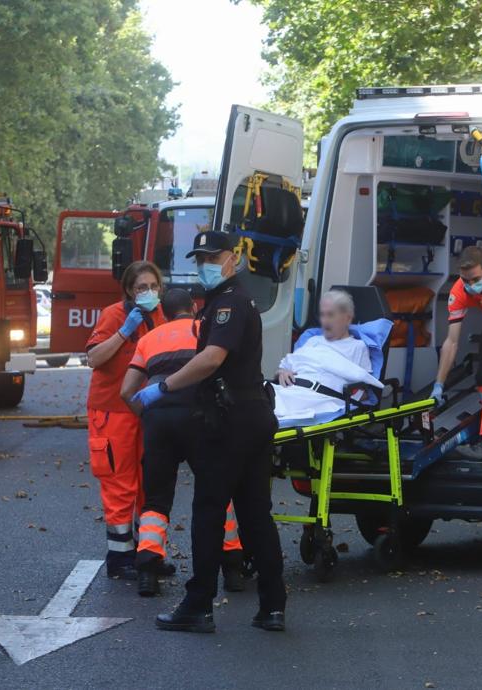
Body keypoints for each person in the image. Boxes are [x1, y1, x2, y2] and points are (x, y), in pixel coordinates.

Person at [133, 230, 286, 633]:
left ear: (233, 257)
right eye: (200, 257)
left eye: (212, 256)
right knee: (256, 515)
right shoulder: (229, 300)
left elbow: (211, 359)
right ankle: (273, 606)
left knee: (208, 512)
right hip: (250, 414)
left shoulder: (228, 305)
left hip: (231, 420)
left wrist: (164, 387)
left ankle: (198, 605)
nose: (205, 263)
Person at [121, 288, 245, 597]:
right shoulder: (205, 331)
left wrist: (146, 412)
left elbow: (127, 391)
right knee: (217, 492)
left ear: (162, 312)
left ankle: (148, 569)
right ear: (194, 307)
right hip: (199, 417)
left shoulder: (149, 340)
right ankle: (232, 568)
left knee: (156, 499)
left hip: (159, 421)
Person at [85, 260, 167, 580]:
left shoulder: (160, 315)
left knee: (151, 484)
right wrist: (124, 332)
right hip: (112, 411)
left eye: (153, 286)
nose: (148, 292)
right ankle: (120, 558)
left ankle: (148, 555)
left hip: (147, 409)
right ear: (130, 292)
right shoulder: (114, 315)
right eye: (141, 288)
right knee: (120, 484)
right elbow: (94, 358)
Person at [430, 245, 482, 459]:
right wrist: (439, 385)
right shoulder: (458, 291)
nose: (471, 285)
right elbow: (451, 341)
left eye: (475, 279)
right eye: (466, 280)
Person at [273, 289, 382, 425]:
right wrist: (282, 372)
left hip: (318, 398)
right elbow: (285, 366)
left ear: (347, 318)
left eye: (331, 315)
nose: (325, 321)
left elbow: (363, 388)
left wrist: (347, 398)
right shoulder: (312, 340)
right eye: (323, 315)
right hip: (290, 389)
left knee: (263, 412)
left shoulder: (357, 347)